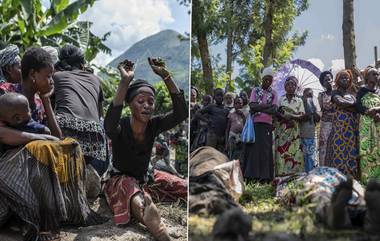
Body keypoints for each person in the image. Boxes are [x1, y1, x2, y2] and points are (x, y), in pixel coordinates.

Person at [0, 47, 105, 241]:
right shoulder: (6, 92)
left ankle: (69, 210)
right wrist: (39, 139)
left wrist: (47, 101)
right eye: (48, 76)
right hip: (7, 166)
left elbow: (57, 137)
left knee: (70, 145)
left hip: (29, 163)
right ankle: (41, 222)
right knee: (42, 147)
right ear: (33, 74)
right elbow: (2, 133)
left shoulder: (39, 102)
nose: (51, 81)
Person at [103, 58, 187, 241]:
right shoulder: (120, 127)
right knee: (134, 195)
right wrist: (125, 82)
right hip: (120, 180)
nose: (147, 106)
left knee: (185, 186)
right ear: (130, 104)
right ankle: (160, 231)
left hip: (147, 177)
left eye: (151, 101)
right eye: (141, 101)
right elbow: (109, 126)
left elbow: (181, 112)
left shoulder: (155, 125)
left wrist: (166, 76)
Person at [54, 44, 107, 176]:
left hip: (65, 133)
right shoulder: (96, 79)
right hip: (95, 139)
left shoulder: (57, 77)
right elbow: (101, 115)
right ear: (82, 63)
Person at [241, 68, 277, 182]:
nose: (268, 82)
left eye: (270, 80)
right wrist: (267, 106)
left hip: (267, 125)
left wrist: (260, 106)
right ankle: (251, 176)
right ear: (263, 79)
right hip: (255, 124)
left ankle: (265, 177)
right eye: (266, 79)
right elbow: (252, 106)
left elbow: (274, 110)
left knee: (266, 150)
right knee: (253, 150)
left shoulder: (274, 93)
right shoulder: (255, 90)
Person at [326, 70, 359, 178]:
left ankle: (351, 176)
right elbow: (340, 102)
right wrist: (353, 104)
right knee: (339, 150)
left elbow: (356, 109)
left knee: (351, 150)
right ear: (337, 80)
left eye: (347, 78)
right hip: (339, 127)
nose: (345, 79)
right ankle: (338, 177)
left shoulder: (352, 94)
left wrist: (349, 105)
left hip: (351, 127)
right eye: (342, 78)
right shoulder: (335, 93)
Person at [274, 76, 305, 176]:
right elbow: (276, 113)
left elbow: (302, 115)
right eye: (288, 84)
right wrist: (284, 118)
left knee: (295, 153)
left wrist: (291, 116)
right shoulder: (280, 99)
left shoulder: (299, 100)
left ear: (296, 87)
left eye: (293, 84)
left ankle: (295, 175)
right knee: (282, 152)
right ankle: (282, 175)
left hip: (294, 133)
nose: (290, 86)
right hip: (282, 131)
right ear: (285, 87)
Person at [356, 67, 380, 183]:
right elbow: (358, 106)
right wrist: (368, 112)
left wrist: (377, 110)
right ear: (367, 77)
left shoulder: (379, 91)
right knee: (366, 151)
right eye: (374, 74)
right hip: (365, 125)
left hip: (378, 124)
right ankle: (367, 181)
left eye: (377, 74)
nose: (376, 76)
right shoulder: (361, 91)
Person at [195, 88, 229, 152]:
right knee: (209, 154)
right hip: (212, 135)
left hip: (222, 137)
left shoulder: (226, 110)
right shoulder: (211, 106)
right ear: (214, 97)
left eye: (221, 95)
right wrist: (207, 120)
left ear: (223, 97)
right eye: (217, 95)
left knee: (220, 157)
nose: (219, 97)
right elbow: (197, 113)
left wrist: (226, 138)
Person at [300, 88, 320, 173]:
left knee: (311, 156)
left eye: (311, 95)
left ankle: (310, 174)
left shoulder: (314, 105)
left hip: (311, 135)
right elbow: (302, 117)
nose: (309, 97)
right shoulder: (300, 103)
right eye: (307, 95)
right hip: (300, 134)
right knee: (302, 157)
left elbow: (318, 119)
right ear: (303, 95)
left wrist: (313, 109)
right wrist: (305, 103)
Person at [318, 71, 334, 166]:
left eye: (329, 79)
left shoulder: (338, 93)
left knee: (336, 146)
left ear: (332, 80)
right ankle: (324, 170)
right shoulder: (321, 95)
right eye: (325, 80)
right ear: (322, 83)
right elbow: (321, 109)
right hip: (325, 125)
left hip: (337, 123)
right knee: (324, 147)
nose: (328, 81)